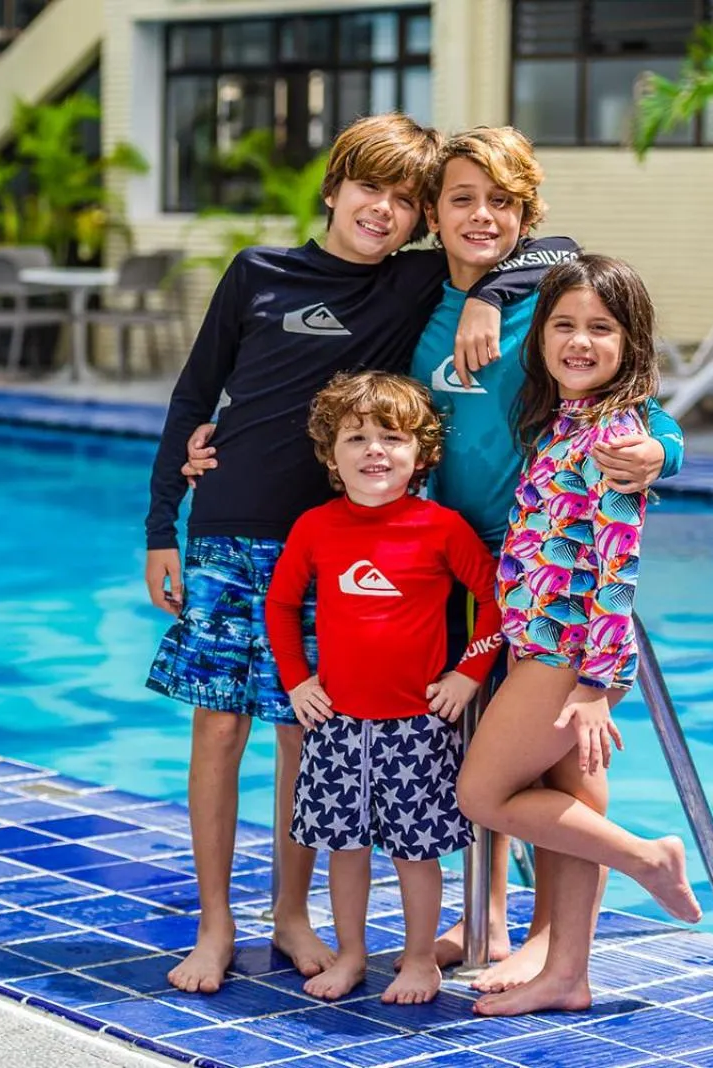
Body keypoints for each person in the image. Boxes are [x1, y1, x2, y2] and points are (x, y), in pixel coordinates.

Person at [184, 127, 686, 989]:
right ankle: (487, 913)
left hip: (547, 566)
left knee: (562, 758)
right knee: (468, 743)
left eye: (502, 203)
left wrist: (661, 451)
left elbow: (633, 399)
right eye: (460, 200)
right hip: (448, 564)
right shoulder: (413, 299)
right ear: (432, 215)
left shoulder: (548, 299)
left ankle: (554, 940)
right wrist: (210, 444)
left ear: (526, 214)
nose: (480, 217)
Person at [455, 254, 703, 1018]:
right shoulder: (565, 419)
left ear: (632, 342)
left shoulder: (617, 436)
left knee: (483, 794)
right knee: (568, 806)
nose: (580, 341)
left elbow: (618, 566)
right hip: (549, 647)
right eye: (563, 325)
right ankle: (567, 975)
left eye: (601, 328)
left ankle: (647, 859)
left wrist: (594, 685)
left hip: (568, 658)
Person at [265, 371, 504, 1006]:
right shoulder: (315, 527)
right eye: (356, 437)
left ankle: (421, 958)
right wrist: (297, 681)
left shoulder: (441, 527)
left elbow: (495, 600)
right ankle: (351, 955)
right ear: (331, 455)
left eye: (392, 437)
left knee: (416, 854)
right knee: (344, 850)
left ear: (421, 454)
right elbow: (281, 605)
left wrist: (468, 674)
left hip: (417, 727)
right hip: (335, 724)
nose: (374, 450)